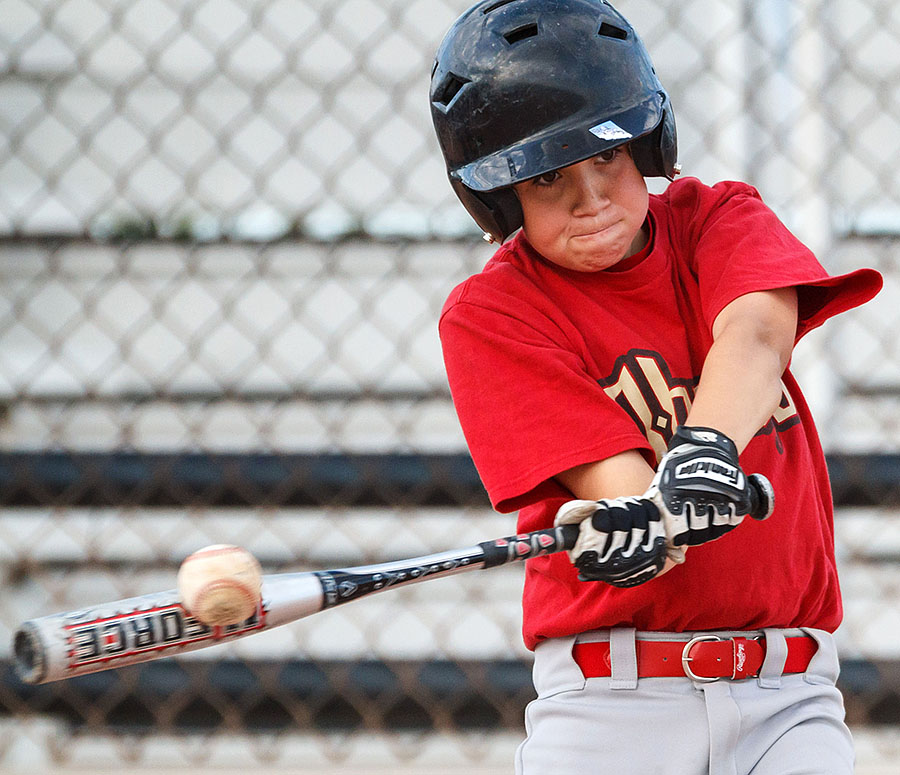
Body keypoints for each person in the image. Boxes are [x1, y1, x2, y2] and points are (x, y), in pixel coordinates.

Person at [429, 1, 883, 773]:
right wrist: (634, 527)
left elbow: (758, 332)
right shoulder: (494, 313)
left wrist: (705, 451)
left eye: (606, 155)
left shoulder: (716, 219)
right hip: (612, 702)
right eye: (548, 178)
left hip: (788, 694)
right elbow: (625, 489)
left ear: (645, 142)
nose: (591, 198)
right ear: (498, 198)